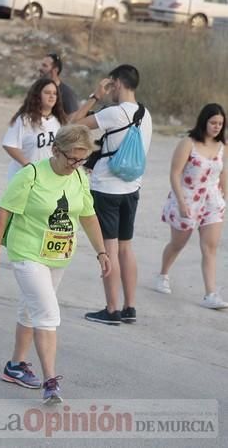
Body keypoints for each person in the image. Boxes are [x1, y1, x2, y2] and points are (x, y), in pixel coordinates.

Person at [0, 125, 111, 405]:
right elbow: (1, 213)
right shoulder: (32, 174)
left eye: (82, 159)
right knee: (48, 314)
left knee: (31, 309)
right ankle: (51, 382)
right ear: (55, 150)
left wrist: (101, 252)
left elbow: (88, 215)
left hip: (58, 256)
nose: (76, 164)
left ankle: (15, 365)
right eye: (71, 158)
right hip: (27, 252)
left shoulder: (78, 177)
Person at [75, 64, 153, 325]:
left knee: (108, 249)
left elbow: (74, 124)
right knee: (125, 248)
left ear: (117, 83)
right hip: (132, 188)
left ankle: (112, 309)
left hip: (107, 188)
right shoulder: (146, 114)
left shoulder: (113, 113)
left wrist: (95, 96)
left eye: (111, 85)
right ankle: (130, 307)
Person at [156, 103, 227, 309]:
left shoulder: (223, 146)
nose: (216, 127)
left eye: (220, 124)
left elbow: (223, 173)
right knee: (178, 244)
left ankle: (210, 294)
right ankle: (163, 274)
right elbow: (175, 173)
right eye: (213, 122)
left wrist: (225, 198)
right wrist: (180, 202)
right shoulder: (188, 143)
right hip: (187, 198)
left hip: (212, 201)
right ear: (204, 121)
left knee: (210, 247)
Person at [3, 78, 67, 181]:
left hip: (48, 177)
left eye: (55, 93)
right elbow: (9, 145)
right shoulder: (25, 119)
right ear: (37, 95)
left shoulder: (59, 121)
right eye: (47, 93)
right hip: (25, 177)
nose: (52, 96)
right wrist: (28, 165)